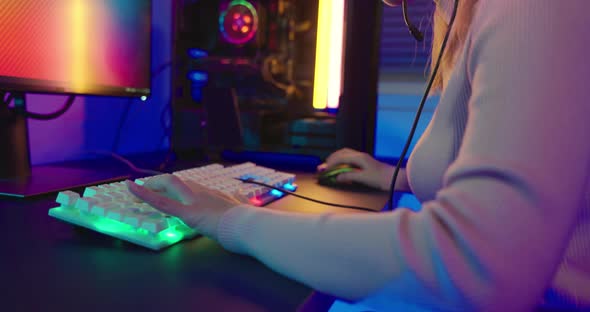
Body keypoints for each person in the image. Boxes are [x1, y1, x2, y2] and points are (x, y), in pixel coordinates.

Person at [128, 0, 590, 310]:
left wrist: (230, 221)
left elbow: (476, 265)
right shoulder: (470, 22)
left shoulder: (531, 10)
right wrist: (398, 177)